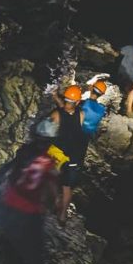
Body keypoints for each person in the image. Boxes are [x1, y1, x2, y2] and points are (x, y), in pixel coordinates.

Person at [0, 121, 70, 264]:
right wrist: (56, 208)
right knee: (35, 253)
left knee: (12, 250)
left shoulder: (23, 152)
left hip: (10, 205)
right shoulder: (48, 162)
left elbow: (8, 173)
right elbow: (53, 189)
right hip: (30, 212)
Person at [51, 85, 89, 224]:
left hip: (58, 155)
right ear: (78, 102)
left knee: (54, 179)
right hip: (74, 157)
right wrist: (56, 98)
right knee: (67, 188)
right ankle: (62, 216)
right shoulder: (81, 114)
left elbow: (48, 129)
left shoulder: (56, 115)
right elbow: (68, 111)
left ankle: (56, 202)